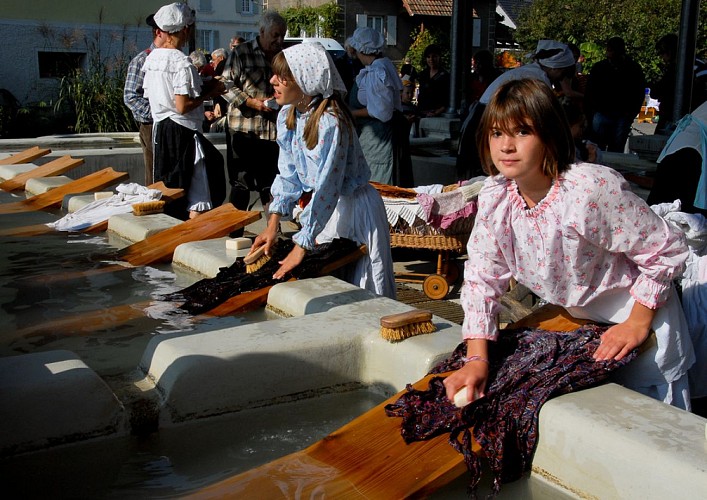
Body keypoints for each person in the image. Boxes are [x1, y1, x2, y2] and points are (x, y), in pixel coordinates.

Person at [444, 78, 697, 411]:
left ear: (549, 135)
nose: (506, 146)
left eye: (522, 132)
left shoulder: (587, 191)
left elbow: (667, 249)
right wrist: (477, 358)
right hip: (578, 326)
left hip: (638, 319)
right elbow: (481, 279)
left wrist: (636, 322)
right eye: (496, 133)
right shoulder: (496, 198)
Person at [248, 42, 396, 299]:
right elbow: (288, 174)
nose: (273, 80)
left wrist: (302, 243)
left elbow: (328, 184)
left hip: (355, 210)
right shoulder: (287, 116)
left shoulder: (331, 122)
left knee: (364, 292)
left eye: (282, 76)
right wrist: (273, 224)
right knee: (331, 289)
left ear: (305, 80)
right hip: (326, 211)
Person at [142, 2, 226, 219]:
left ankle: (179, 231)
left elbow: (167, 96)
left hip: (162, 128)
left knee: (172, 186)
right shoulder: (181, 62)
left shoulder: (153, 58)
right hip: (181, 131)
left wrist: (203, 85)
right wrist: (210, 92)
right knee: (196, 184)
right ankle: (189, 235)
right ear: (185, 30)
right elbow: (181, 105)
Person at [457, 40, 576, 180]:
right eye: (563, 72)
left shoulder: (530, 72)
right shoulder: (537, 79)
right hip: (488, 120)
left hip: (488, 118)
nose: (562, 78)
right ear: (555, 68)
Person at [220, 11, 286, 215]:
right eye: (275, 35)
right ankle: (235, 234)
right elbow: (224, 85)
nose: (279, 40)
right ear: (262, 31)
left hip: (272, 132)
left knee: (272, 184)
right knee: (241, 184)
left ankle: (272, 235)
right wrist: (250, 102)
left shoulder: (282, 55)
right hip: (243, 130)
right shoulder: (242, 52)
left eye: (282, 35)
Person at [347, 27, 411, 187]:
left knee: (379, 185)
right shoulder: (380, 66)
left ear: (361, 49)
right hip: (373, 137)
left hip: (380, 138)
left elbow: (382, 112)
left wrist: (352, 113)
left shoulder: (378, 71)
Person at [584, 36, 646, 152]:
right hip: (602, 112)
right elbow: (590, 92)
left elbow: (638, 93)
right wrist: (591, 113)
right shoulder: (599, 68)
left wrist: (631, 114)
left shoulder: (633, 68)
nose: (610, 53)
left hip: (622, 114)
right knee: (596, 147)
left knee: (617, 149)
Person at [124, 12, 164, 185]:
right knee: (155, 175)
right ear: (159, 32)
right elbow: (130, 96)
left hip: (172, 124)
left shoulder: (176, 59)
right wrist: (157, 114)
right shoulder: (142, 60)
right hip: (151, 125)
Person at [417, 44, 450, 117]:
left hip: (438, 115)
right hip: (422, 113)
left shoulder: (445, 76)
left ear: (439, 57)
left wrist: (437, 112)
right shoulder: (423, 74)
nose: (431, 59)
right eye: (428, 57)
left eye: (434, 56)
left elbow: (447, 99)